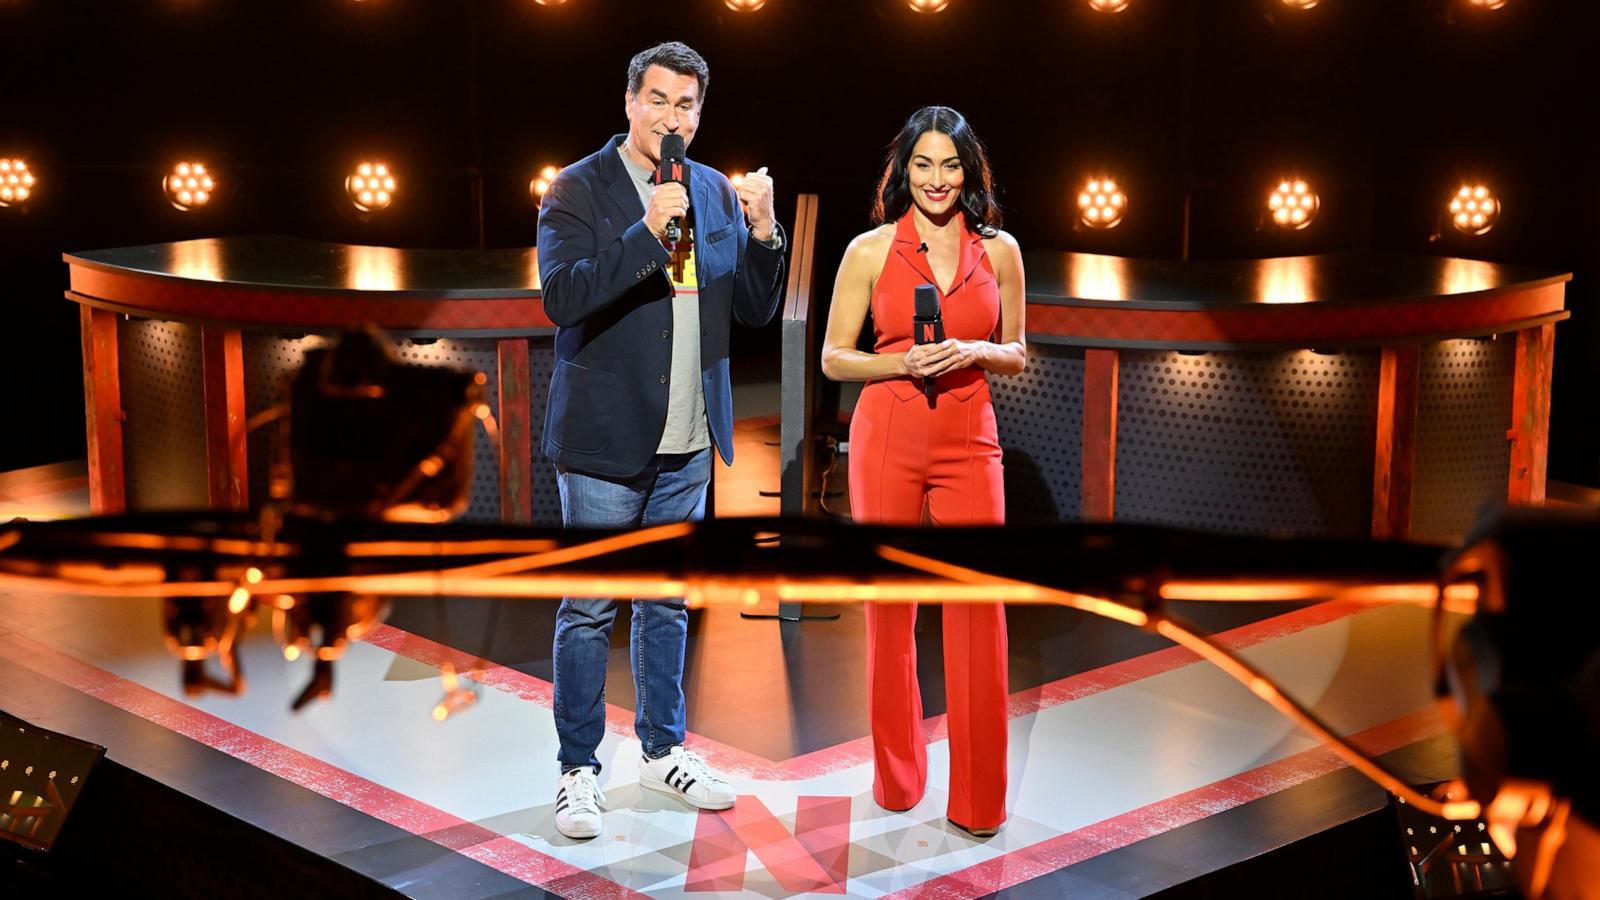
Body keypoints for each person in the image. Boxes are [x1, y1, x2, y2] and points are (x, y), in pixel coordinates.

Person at [536, 40, 786, 841]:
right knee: (588, 606)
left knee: (667, 602)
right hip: (606, 442)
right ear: (629, 102)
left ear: (699, 113)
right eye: (658, 101)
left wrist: (765, 233)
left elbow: (749, 307)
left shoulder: (712, 188)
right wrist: (647, 230)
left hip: (688, 436)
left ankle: (662, 750)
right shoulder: (577, 188)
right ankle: (579, 770)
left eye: (686, 105)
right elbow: (562, 297)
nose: (671, 118)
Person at [820, 106, 1025, 837]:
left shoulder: (999, 250)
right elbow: (834, 357)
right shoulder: (870, 250)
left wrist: (973, 348)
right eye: (922, 166)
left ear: (969, 172)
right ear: (902, 171)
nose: (937, 181)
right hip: (888, 435)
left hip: (970, 435)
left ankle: (979, 803)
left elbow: (1018, 349)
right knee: (891, 615)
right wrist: (900, 360)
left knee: (978, 614)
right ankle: (899, 782)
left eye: (950, 166)